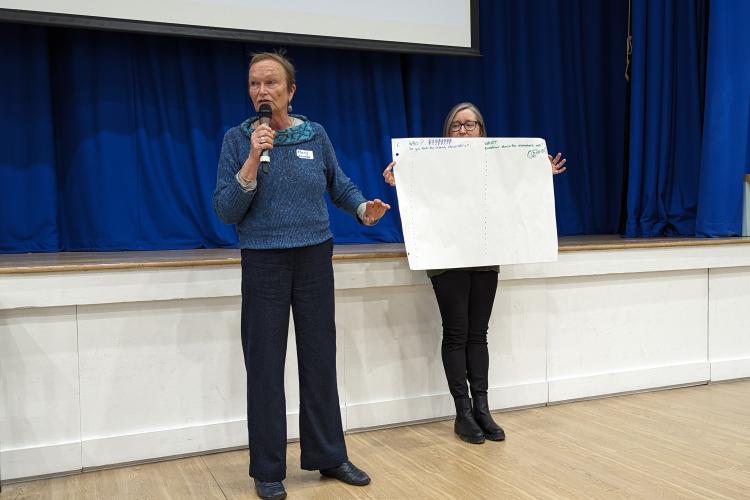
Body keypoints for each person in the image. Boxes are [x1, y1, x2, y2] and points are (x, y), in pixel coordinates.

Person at [213, 51, 390, 500]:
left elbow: (339, 184)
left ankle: (329, 456)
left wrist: (361, 208)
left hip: (314, 256)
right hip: (264, 260)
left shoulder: (317, 135)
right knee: (266, 367)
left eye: (271, 83)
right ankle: (268, 469)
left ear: (291, 91)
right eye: (254, 83)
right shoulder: (239, 139)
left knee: (319, 360)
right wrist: (253, 158)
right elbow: (226, 209)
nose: (262, 91)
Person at [382, 102, 566, 444]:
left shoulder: (494, 165)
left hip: (485, 256)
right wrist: (400, 181)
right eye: (457, 126)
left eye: (471, 125)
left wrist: (538, 175)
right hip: (446, 257)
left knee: (478, 334)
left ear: (482, 130)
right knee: (456, 332)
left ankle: (483, 409)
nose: (464, 131)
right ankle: (463, 413)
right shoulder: (431, 163)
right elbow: (419, 196)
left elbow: (517, 188)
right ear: (446, 131)